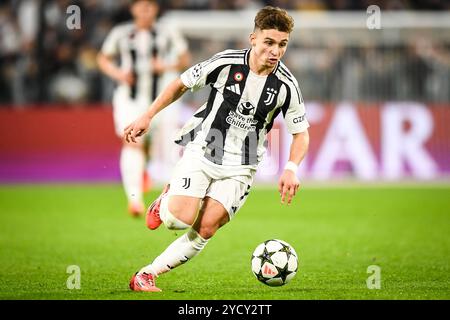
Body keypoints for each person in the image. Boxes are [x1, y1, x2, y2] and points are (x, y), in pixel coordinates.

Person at [124, 6, 310, 292]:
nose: (275, 51)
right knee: (176, 221)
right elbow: (181, 84)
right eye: (269, 42)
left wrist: (291, 168)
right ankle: (165, 203)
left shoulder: (286, 86)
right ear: (253, 39)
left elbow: (301, 134)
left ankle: (147, 275)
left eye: (282, 44)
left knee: (207, 228)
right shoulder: (226, 63)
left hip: (242, 166)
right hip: (203, 149)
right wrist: (148, 115)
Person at [97, 0, 190, 217]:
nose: (145, 11)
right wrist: (118, 74)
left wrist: (165, 66)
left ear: (155, 9)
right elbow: (103, 59)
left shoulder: (168, 32)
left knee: (165, 146)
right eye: (141, 7)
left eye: (149, 7)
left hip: (162, 100)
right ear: (133, 9)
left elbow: (185, 59)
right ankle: (135, 200)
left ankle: (152, 178)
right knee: (132, 142)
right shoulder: (121, 33)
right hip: (130, 99)